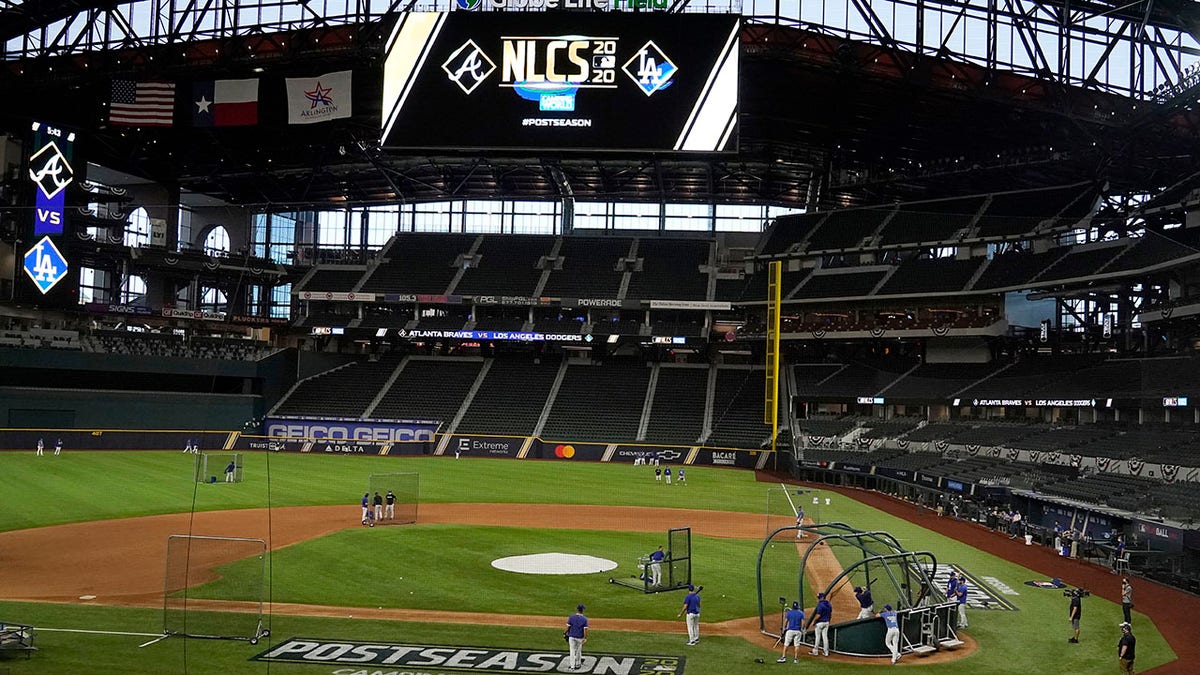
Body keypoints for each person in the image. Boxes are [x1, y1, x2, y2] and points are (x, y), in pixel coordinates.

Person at [565, 604, 588, 671]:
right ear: (582, 610)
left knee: (572, 651)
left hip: (571, 637)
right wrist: (585, 638)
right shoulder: (584, 619)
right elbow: (585, 630)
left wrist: (564, 633)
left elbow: (568, 627)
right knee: (578, 651)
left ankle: (572, 666)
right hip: (579, 637)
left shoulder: (571, 617)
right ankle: (578, 664)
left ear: (577, 609)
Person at [809, 591, 832, 656]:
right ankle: (826, 652)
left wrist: (814, 622)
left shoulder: (820, 605)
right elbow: (830, 614)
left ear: (821, 598)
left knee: (818, 637)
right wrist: (828, 621)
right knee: (825, 637)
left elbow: (818, 615)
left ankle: (815, 651)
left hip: (820, 623)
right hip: (826, 622)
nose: (818, 599)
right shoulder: (829, 604)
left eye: (819, 598)